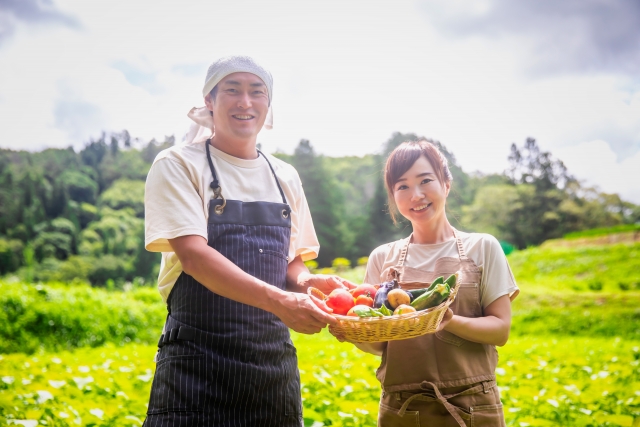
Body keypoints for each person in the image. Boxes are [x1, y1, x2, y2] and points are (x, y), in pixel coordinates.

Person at [142, 55, 354, 426]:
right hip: (196, 367)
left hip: (271, 372)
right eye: (232, 90)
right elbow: (193, 256)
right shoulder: (178, 164)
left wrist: (306, 283)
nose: (245, 102)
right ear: (209, 100)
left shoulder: (284, 176)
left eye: (256, 92)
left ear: (268, 104)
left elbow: (292, 262)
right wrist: (278, 300)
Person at [333, 140, 519, 426]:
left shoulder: (482, 247)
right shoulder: (383, 257)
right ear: (393, 196)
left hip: (473, 407)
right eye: (402, 186)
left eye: (425, 181)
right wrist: (357, 334)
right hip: (402, 409)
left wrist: (445, 320)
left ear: (445, 183)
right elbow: (380, 346)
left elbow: (500, 331)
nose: (415, 195)